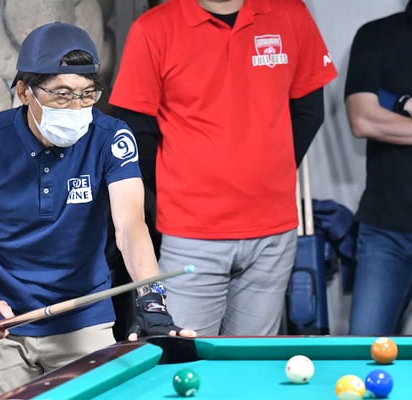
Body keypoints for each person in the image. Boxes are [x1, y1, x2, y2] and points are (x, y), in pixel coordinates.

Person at [0, 22, 196, 398]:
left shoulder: (111, 137)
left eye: (87, 94)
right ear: (24, 91)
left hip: (85, 321)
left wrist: (151, 298)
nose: (77, 108)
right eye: (62, 95)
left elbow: (130, 224)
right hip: (4, 324)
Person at [109, 0, 337, 336]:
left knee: (250, 361)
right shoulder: (153, 28)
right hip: (191, 234)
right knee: (184, 354)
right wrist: (177, 188)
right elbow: (135, 130)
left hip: (273, 233)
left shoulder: (291, 14)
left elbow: (309, 112)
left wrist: (267, 174)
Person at [344, 1, 412, 335]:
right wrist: (400, 102)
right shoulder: (377, 35)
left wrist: (393, 102)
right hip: (386, 230)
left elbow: (377, 111)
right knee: (363, 347)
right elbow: (363, 119)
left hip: (385, 231)